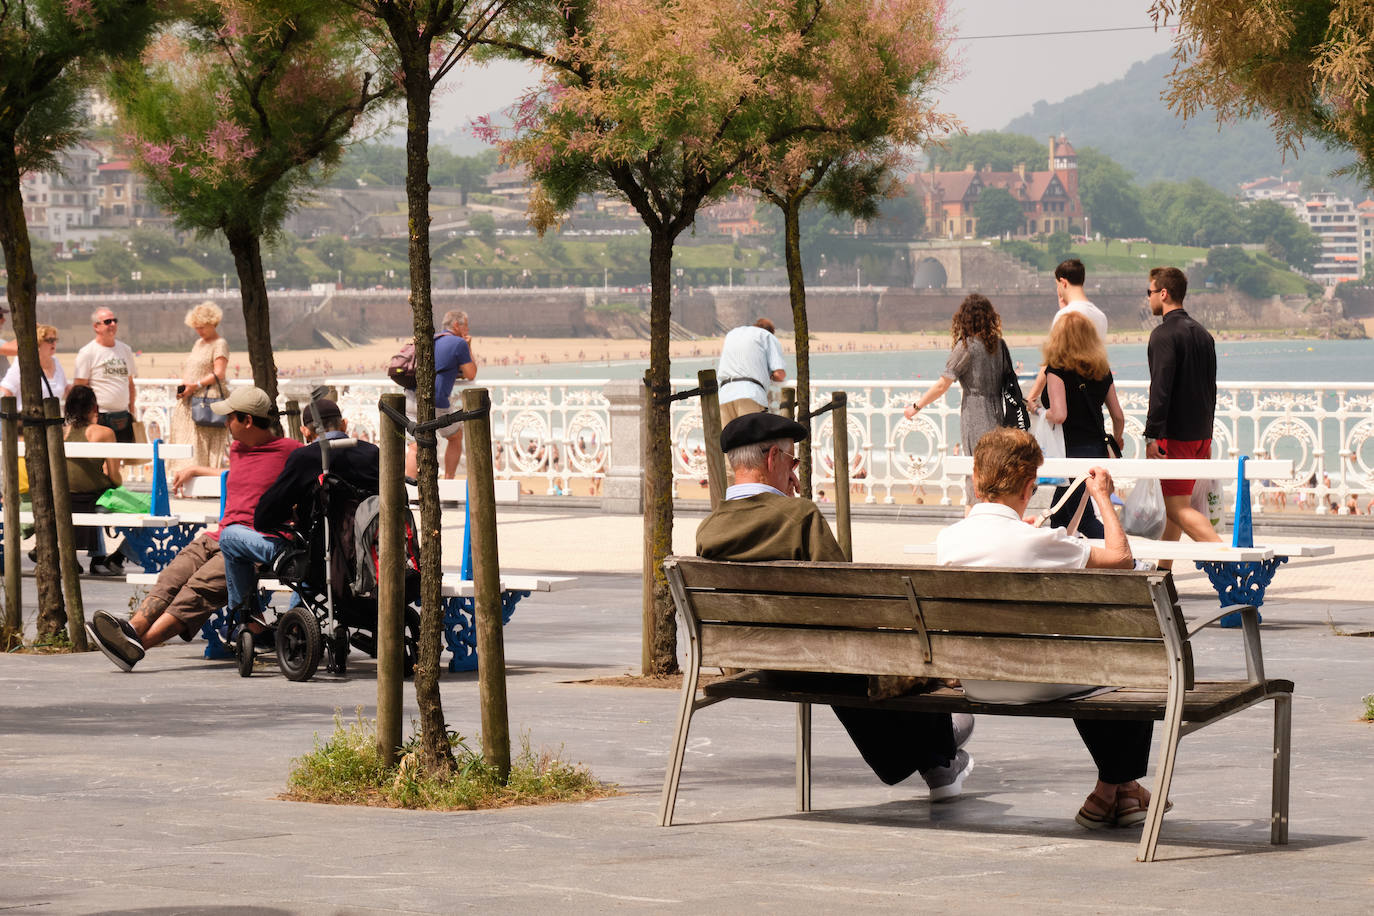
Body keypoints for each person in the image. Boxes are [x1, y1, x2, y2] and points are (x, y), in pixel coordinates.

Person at [696, 411, 974, 801]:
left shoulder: (709, 529)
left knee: (837, 658)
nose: (794, 473)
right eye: (792, 461)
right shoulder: (800, 515)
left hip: (767, 664)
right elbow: (850, 603)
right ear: (774, 459)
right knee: (864, 650)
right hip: (820, 664)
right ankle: (941, 749)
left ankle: (939, 761)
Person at [937, 427, 1165, 830]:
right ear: (1029, 487)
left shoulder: (949, 540)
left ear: (976, 479)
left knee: (1097, 667)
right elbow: (1120, 558)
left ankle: (1117, 792)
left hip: (978, 680)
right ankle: (1117, 787)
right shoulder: (1034, 542)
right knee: (1126, 657)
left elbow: (1005, 541)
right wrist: (1102, 499)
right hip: (1036, 681)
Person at [86, 387, 300, 671]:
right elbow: (241, 476)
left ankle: (138, 644)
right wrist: (198, 469)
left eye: (230, 418)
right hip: (219, 535)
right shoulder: (238, 449)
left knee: (198, 589)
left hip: (253, 543)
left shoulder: (291, 453)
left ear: (247, 420)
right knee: (173, 575)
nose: (225, 423)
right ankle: (132, 629)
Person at [219, 398, 378, 627]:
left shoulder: (306, 458)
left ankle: (250, 622)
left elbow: (264, 517)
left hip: (316, 560)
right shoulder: (373, 454)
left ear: (305, 431)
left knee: (229, 537)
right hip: (367, 555)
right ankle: (294, 621)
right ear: (343, 424)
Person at [1144, 267, 1221, 558]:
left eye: (1149, 292)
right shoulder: (1203, 334)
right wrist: (1208, 436)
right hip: (1200, 435)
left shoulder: (1163, 335)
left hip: (1175, 437)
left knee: (1177, 508)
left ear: (1163, 293)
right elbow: (1210, 390)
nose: (1148, 298)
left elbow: (1160, 389)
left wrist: (1152, 435)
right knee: (1175, 506)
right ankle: (1163, 573)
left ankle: (1230, 558)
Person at [904, 293, 1007, 510]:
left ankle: (972, 518)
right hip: (999, 414)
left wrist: (916, 407)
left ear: (965, 319)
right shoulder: (999, 345)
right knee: (996, 472)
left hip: (975, 413)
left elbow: (943, 384)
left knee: (976, 472)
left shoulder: (967, 347)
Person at [1037, 312, 1125, 538]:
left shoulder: (1056, 370)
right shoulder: (1101, 370)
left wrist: (1039, 411)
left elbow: (1059, 415)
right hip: (1096, 449)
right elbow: (1118, 415)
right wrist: (1119, 438)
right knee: (1059, 517)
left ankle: (1130, 561)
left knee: (1083, 519)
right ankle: (1060, 565)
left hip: (1071, 452)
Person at [405, 310, 477, 479]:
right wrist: (468, 347)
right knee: (455, 436)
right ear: (457, 325)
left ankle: (412, 493)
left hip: (411, 396)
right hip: (435, 401)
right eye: (466, 325)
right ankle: (448, 481)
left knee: (416, 445)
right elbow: (471, 373)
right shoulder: (459, 343)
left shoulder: (432, 338)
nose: (467, 328)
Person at [1027, 258, 1109, 405]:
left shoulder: (1063, 316)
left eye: (1057, 285)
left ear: (1063, 283)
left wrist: (1031, 396)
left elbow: (1052, 361)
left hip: (1067, 396)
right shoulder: (1101, 316)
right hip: (1092, 395)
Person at [63, 385, 124, 576]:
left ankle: (81, 559)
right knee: (146, 509)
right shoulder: (104, 433)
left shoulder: (61, 432)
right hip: (93, 497)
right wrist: (118, 485)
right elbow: (115, 476)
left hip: (65, 498)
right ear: (94, 407)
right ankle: (117, 557)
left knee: (89, 502)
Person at [168, 301, 230, 472]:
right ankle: (184, 478)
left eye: (202, 327)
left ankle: (202, 479)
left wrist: (196, 385)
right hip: (189, 398)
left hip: (206, 400)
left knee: (202, 442)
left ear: (213, 323)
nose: (199, 331)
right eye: (196, 327)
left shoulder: (220, 343)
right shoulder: (198, 343)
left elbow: (219, 373)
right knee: (187, 440)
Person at [73, 307, 138, 443]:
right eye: (108, 321)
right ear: (96, 327)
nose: (113, 324)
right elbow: (80, 388)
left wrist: (132, 411)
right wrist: (88, 417)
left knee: (120, 458)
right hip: (100, 415)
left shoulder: (125, 350)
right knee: (102, 460)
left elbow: (130, 383)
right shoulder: (87, 352)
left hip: (123, 415)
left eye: (115, 321)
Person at [716, 318, 786, 425]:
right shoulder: (767, 336)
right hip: (749, 393)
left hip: (724, 396)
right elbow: (779, 374)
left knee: (728, 440)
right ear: (771, 331)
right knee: (750, 439)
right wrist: (770, 375)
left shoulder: (732, 334)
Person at [0, 324, 69, 413]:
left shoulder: (56, 362)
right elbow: (5, 391)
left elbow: (66, 390)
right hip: (28, 423)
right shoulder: (23, 363)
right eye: (50, 340)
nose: (54, 343)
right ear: (38, 343)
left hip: (53, 422)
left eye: (55, 340)